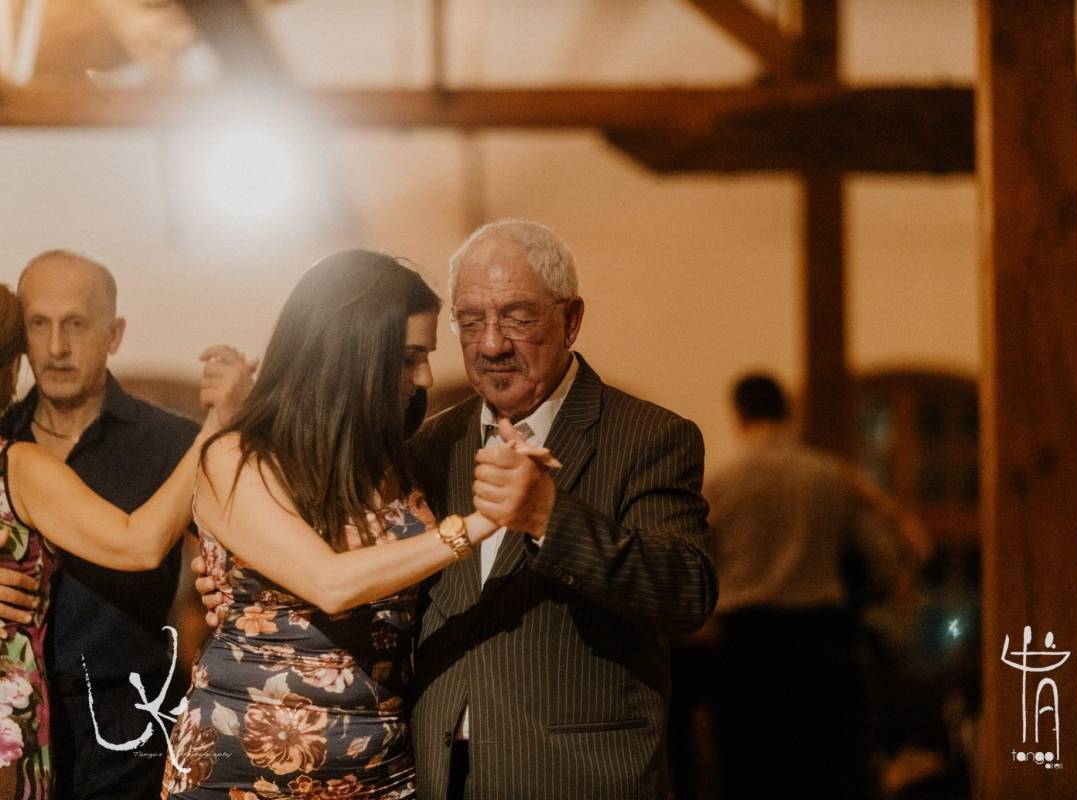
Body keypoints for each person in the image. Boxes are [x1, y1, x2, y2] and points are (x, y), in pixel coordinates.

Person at [196, 224, 717, 799]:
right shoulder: (427, 444)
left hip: (571, 774)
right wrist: (244, 579)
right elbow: (354, 565)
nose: (491, 344)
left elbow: (685, 595)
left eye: (517, 317)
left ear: (570, 320)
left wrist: (550, 518)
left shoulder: (647, 436)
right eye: (470, 322)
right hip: (427, 771)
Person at [163, 250, 538, 799]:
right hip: (242, 771)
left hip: (380, 770)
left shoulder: (401, 460)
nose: (425, 377)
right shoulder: (235, 459)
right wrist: (480, 524)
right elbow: (329, 584)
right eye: (408, 357)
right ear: (350, 353)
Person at [0, 251, 253, 800]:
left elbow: (246, 552)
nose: (57, 347)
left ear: (113, 334)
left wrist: (236, 425)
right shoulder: (4, 439)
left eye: (76, 324)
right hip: (14, 724)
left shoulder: (173, 443)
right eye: (39, 324)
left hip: (132, 721)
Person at [705, 373, 918, 800]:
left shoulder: (719, 483)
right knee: (823, 778)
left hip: (745, 648)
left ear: (739, 415)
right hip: (821, 645)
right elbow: (881, 561)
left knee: (749, 778)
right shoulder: (829, 476)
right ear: (788, 412)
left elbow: (697, 570)